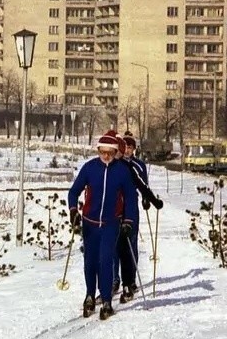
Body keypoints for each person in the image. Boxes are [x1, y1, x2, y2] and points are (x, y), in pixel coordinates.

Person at [67, 133, 138, 320]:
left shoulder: (122, 171)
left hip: (110, 223)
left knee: (106, 260)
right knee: (90, 261)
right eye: (103, 152)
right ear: (98, 150)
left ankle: (106, 300)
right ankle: (90, 295)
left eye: (110, 153)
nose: (106, 156)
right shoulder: (90, 168)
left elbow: (130, 198)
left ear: (115, 152)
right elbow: (74, 191)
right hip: (89, 223)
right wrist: (74, 210)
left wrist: (129, 221)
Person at [113, 133, 160, 302]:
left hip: (131, 207)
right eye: (124, 147)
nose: (127, 150)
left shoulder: (138, 165)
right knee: (115, 245)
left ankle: (131, 279)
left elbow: (143, 184)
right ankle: (114, 279)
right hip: (116, 208)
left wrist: (148, 199)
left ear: (134, 149)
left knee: (130, 243)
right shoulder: (116, 164)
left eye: (130, 147)